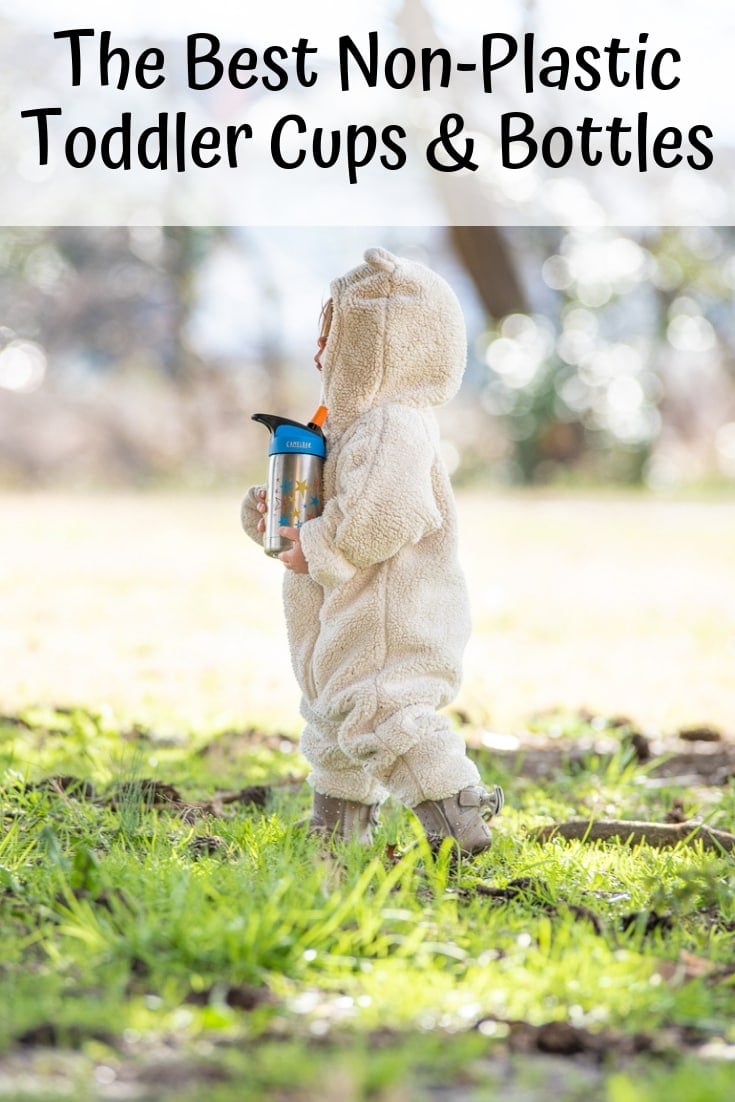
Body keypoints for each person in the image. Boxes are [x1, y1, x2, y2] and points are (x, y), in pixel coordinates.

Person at [241, 247, 503, 854]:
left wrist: (323, 542)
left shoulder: (393, 425)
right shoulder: (343, 425)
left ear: (378, 339)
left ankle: (459, 816)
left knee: (388, 717)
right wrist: (271, 517)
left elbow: (386, 511)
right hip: (340, 613)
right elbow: (326, 506)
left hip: (389, 614)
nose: (319, 351)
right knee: (334, 722)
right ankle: (340, 831)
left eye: (332, 334)